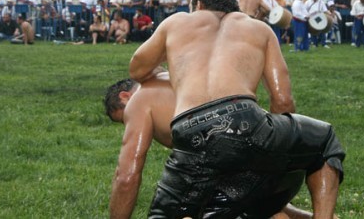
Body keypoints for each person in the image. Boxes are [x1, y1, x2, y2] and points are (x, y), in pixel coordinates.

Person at [128, 0, 344, 218]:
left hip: (187, 127)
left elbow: (137, 69)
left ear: (198, 5)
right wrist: (273, 151)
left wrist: (176, 67)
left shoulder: (176, 22)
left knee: (166, 214)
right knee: (323, 140)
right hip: (245, 117)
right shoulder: (259, 29)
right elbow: (282, 101)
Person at [104, 72, 316, 219]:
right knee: (262, 203)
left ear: (126, 97)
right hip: (281, 152)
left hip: (240, 158)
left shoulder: (140, 99)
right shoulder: (182, 77)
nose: (128, 125)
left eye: (124, 119)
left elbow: (126, 176)